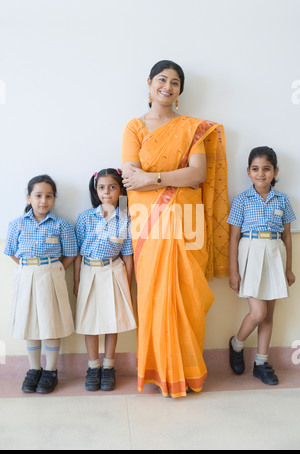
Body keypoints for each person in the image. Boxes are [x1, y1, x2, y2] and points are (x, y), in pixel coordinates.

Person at [121, 60, 229, 398]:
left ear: (180, 91)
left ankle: (188, 372)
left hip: (187, 224)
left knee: (188, 295)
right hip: (149, 227)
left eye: (176, 83)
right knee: (154, 294)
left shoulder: (193, 128)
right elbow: (129, 178)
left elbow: (197, 174)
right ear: (150, 82)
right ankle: (158, 372)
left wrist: (153, 178)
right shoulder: (134, 127)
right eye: (163, 80)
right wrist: (168, 179)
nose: (168, 87)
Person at [227, 146, 296, 385]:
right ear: (248, 171)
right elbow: (234, 238)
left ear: (275, 171)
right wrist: (234, 271)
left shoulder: (283, 200)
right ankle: (237, 344)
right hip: (251, 253)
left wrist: (288, 268)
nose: (261, 173)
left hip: (275, 253)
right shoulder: (241, 200)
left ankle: (261, 362)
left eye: (266, 169)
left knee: (269, 315)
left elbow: (287, 237)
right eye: (255, 169)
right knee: (258, 313)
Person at [4, 174, 78, 393]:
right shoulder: (16, 224)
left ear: (54, 199)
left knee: (51, 321)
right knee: (31, 323)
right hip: (26, 274)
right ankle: (34, 369)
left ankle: (51, 371)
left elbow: (71, 253)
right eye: (38, 196)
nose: (43, 201)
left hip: (52, 274)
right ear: (29, 198)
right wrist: (31, 267)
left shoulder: (62, 225)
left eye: (48, 196)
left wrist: (53, 269)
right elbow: (11, 252)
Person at [74, 168, 136, 392]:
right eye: (101, 187)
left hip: (114, 271)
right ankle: (93, 366)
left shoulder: (125, 218)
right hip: (90, 271)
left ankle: (109, 366)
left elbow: (128, 257)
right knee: (90, 322)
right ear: (95, 190)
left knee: (112, 321)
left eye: (112, 187)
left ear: (120, 190)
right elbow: (79, 253)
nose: (107, 192)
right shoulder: (85, 218)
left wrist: (127, 286)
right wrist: (77, 281)